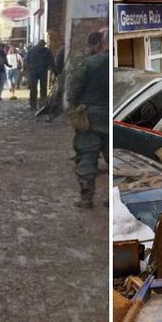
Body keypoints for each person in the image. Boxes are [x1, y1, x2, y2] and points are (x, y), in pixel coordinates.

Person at [67, 31, 109, 208]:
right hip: (115, 117)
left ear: (100, 44)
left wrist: (75, 107)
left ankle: (86, 198)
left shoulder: (89, 63)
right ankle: (117, 200)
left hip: (90, 118)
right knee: (117, 158)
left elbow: (73, 91)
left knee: (87, 155)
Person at [25, 39, 53, 110]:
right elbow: (51, 61)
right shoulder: (47, 51)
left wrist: (28, 70)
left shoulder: (31, 50)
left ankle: (33, 104)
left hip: (33, 71)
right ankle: (42, 104)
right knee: (43, 88)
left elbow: (26, 61)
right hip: (43, 71)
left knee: (33, 88)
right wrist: (55, 71)